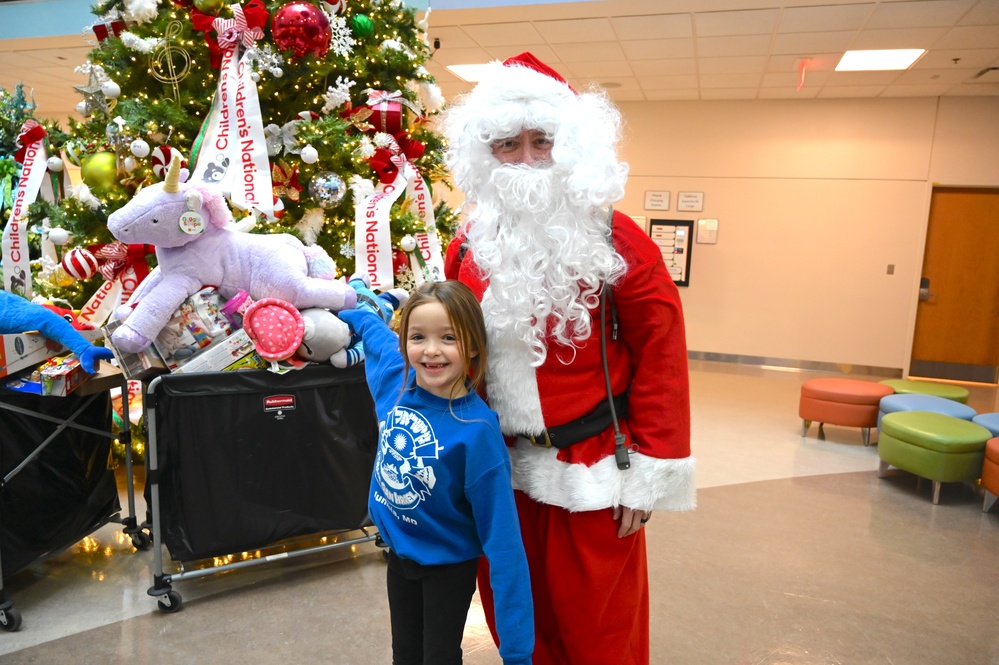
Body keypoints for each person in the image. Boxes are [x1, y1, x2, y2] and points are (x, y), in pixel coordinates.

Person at [441, 52, 695, 664]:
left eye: (542, 141)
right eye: (507, 143)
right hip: (498, 469)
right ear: (485, 154)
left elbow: (661, 356)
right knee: (516, 618)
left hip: (595, 469)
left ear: (573, 146)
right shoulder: (467, 249)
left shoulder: (619, 241)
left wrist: (650, 472)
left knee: (601, 630)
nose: (526, 158)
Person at [338, 280, 534, 665]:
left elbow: (505, 545)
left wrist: (517, 653)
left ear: (473, 345)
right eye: (418, 337)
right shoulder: (395, 379)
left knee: (438, 658)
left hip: (448, 567)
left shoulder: (477, 432)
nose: (430, 350)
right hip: (400, 557)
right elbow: (374, 332)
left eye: (448, 338)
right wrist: (345, 307)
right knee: (405, 656)